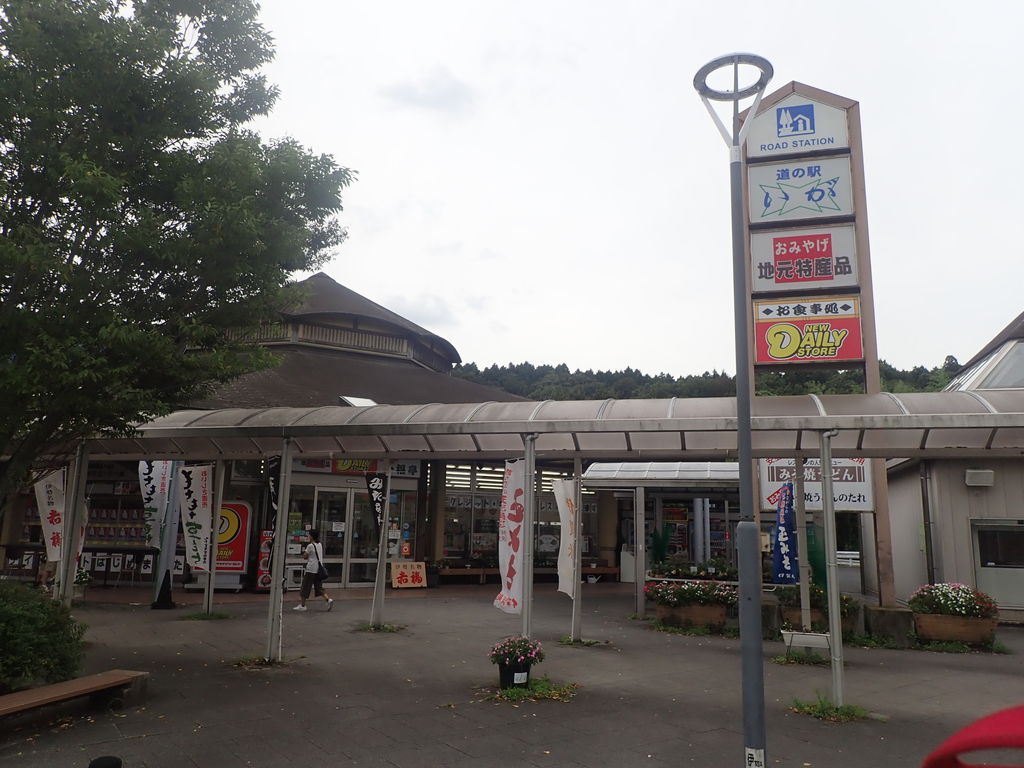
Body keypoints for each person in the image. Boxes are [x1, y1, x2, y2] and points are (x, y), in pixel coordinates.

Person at [294, 529, 333, 612]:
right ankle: (328, 599)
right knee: (319, 587)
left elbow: (305, 556)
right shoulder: (320, 544)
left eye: (309, 535)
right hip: (318, 570)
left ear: (312, 536)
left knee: (305, 587)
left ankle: (303, 605)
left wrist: (306, 553)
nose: (308, 536)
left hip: (311, 569)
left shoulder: (310, 546)